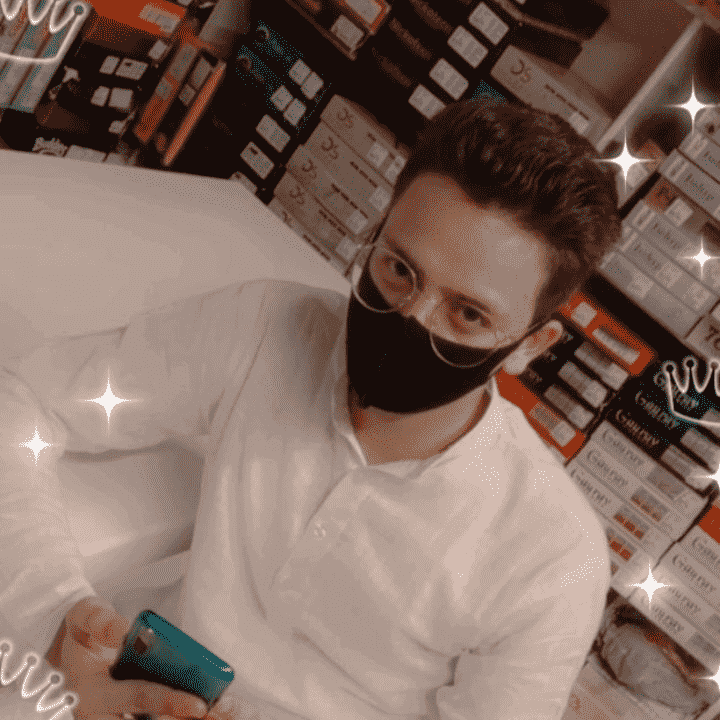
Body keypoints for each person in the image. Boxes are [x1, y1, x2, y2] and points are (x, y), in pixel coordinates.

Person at [1, 95, 621, 720]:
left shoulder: (552, 557)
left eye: (467, 313)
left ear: (530, 346)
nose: (411, 318)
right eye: (399, 269)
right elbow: (23, 397)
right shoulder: (270, 327)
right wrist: (56, 616)